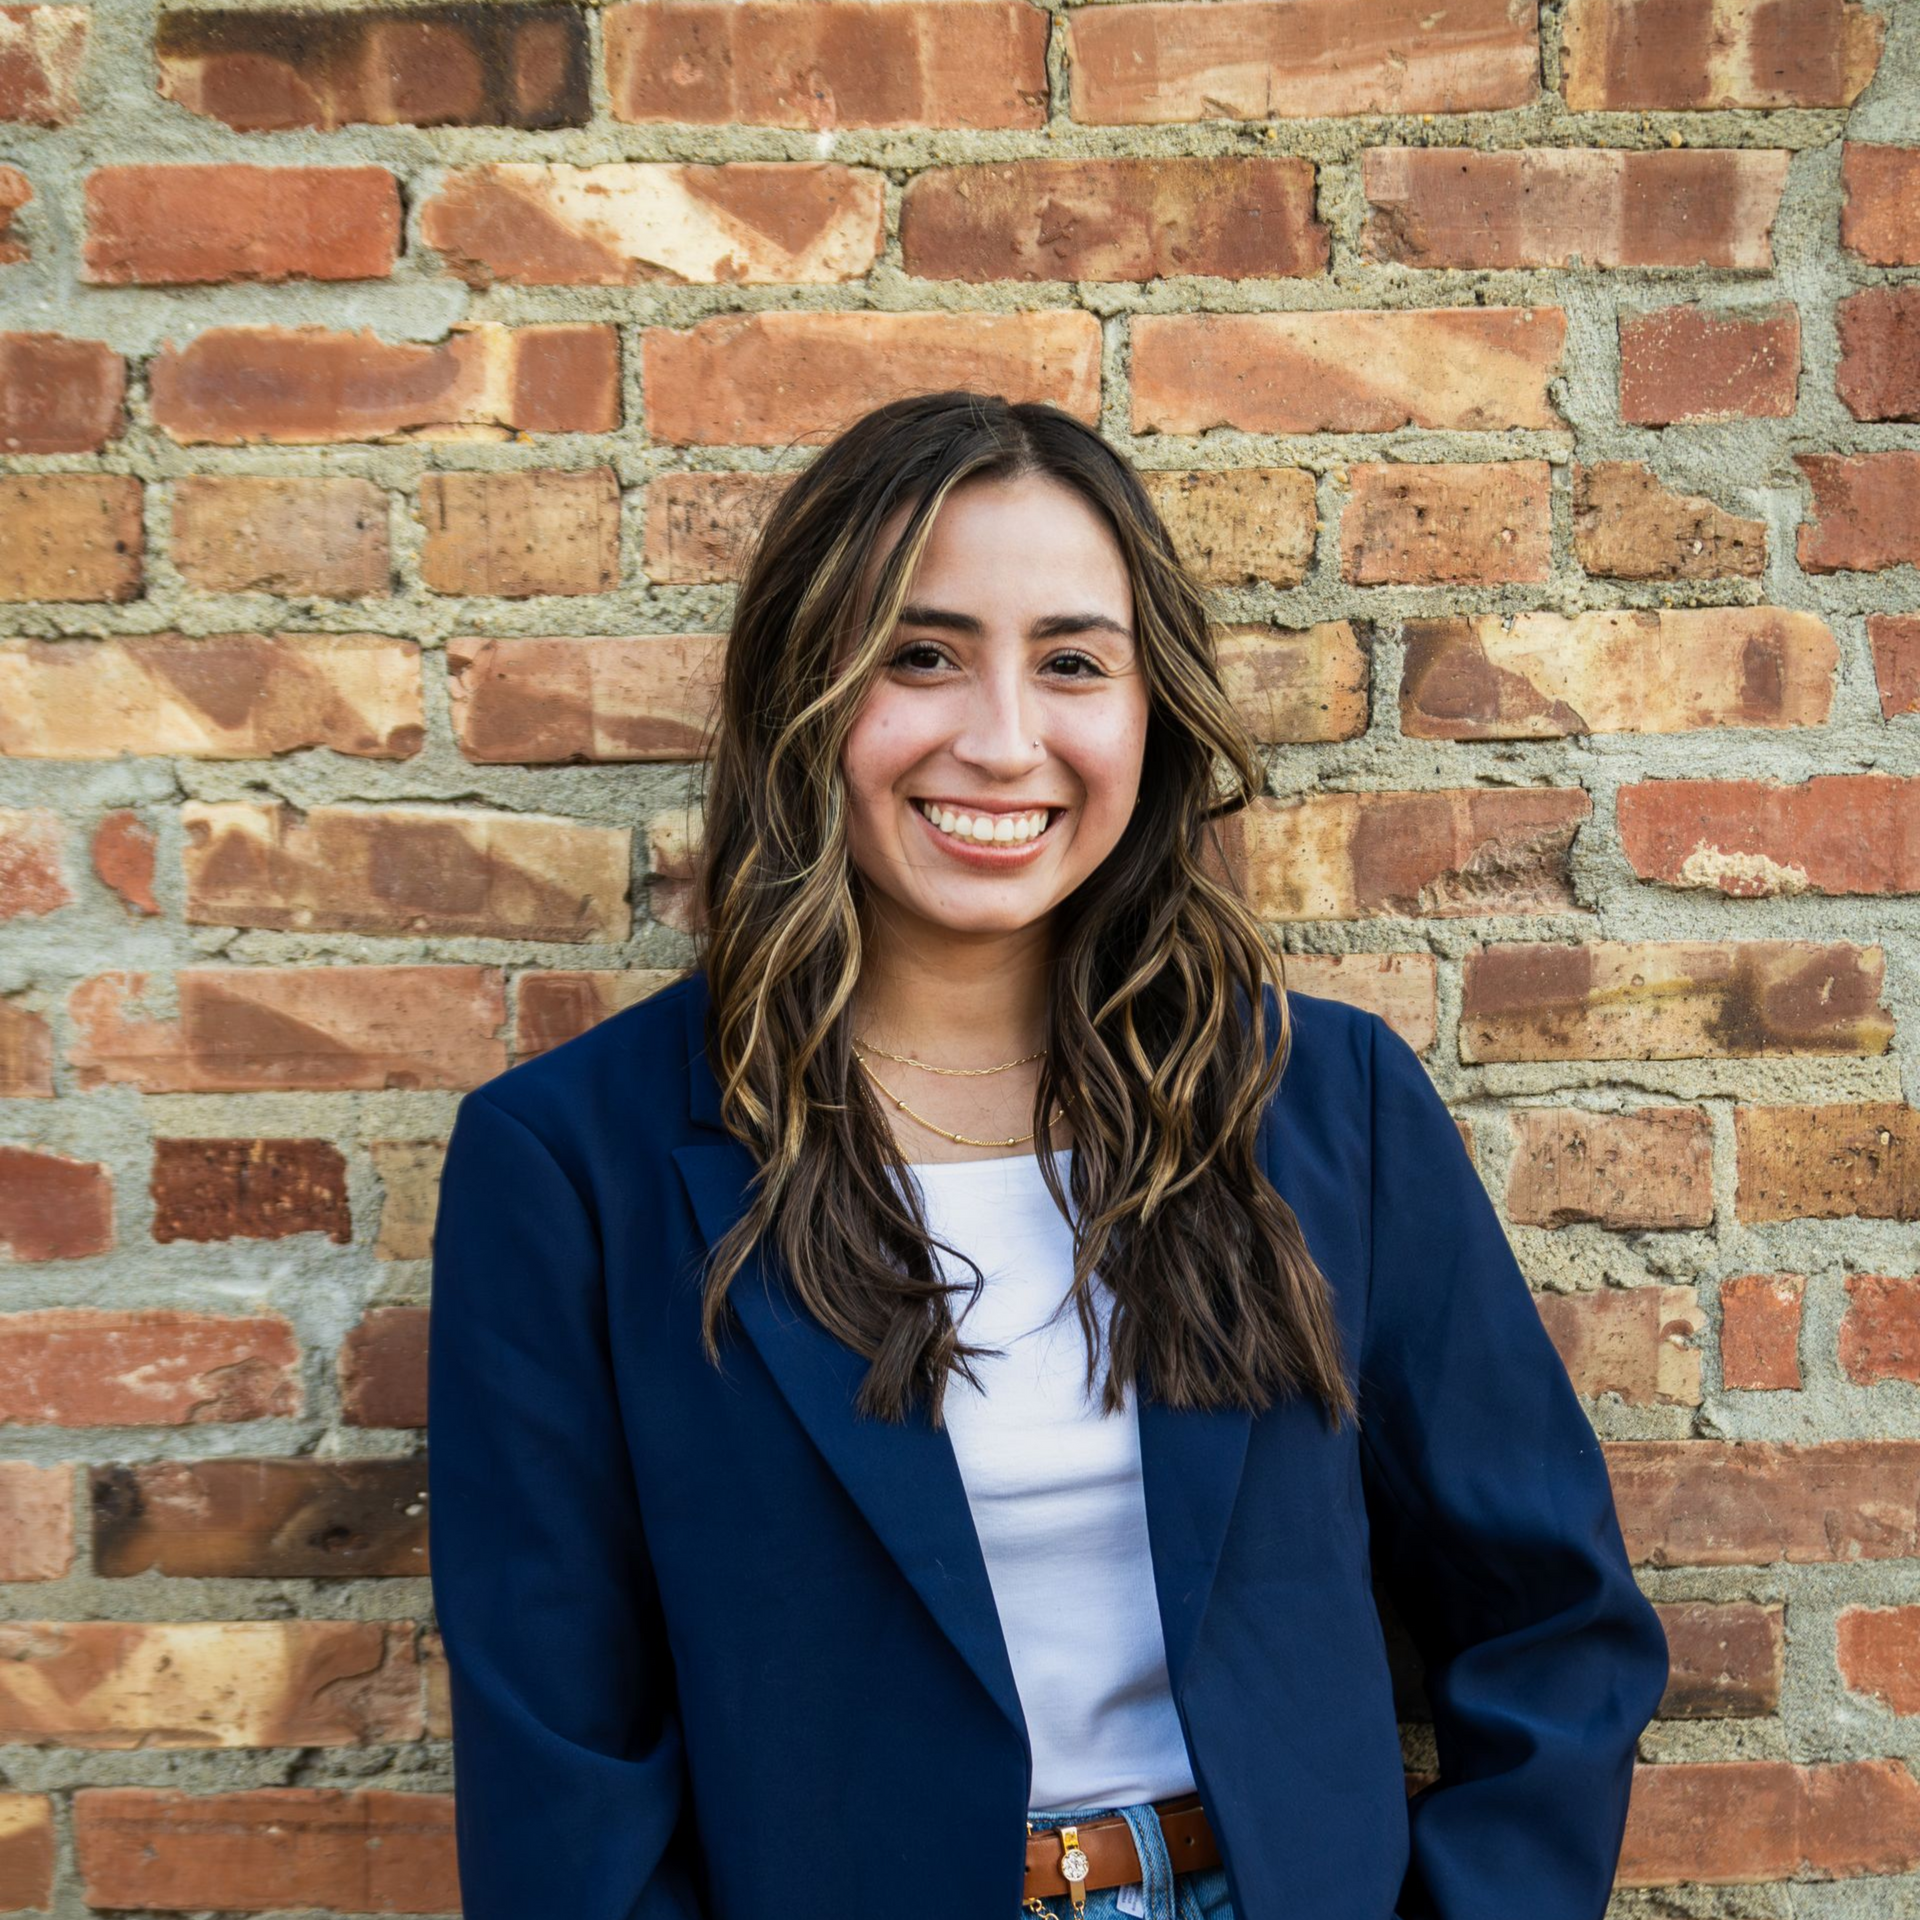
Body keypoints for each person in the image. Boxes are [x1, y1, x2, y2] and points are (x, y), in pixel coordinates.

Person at [427, 391, 1669, 1920]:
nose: (1004, 740)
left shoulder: (1324, 1104)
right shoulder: (570, 1167)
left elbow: (1551, 1622)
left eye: (1074, 662)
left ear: (1152, 714)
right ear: (802, 692)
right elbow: (562, 1764)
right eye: (922, 654)